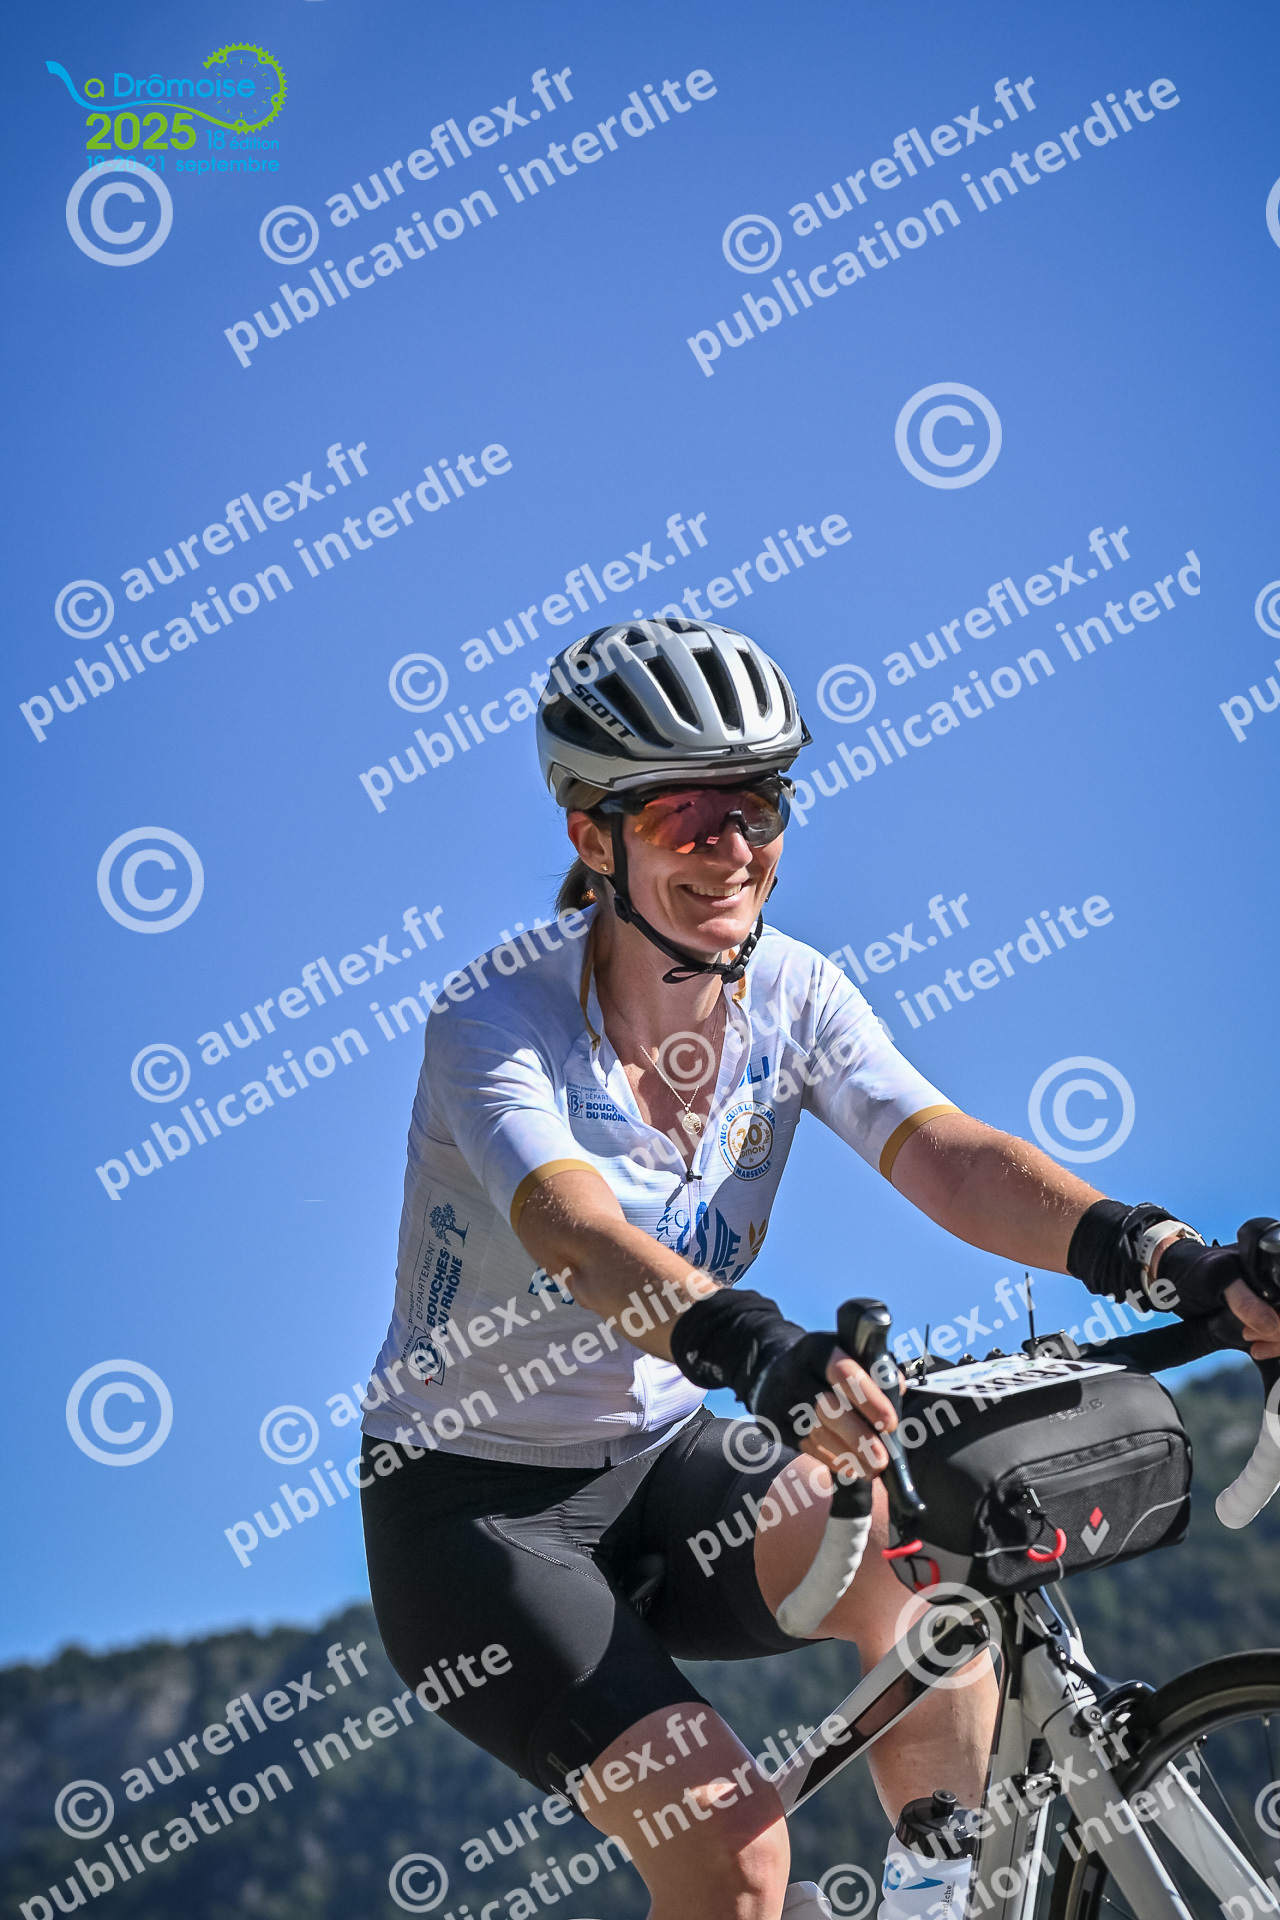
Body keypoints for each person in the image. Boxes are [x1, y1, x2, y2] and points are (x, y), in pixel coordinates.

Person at [361, 618, 1279, 1920]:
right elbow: (574, 1234)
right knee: (734, 1853)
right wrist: (756, 1345)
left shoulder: (793, 994)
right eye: (684, 817)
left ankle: (935, 1895)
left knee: (930, 1560)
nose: (731, 849)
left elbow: (951, 1158)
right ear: (593, 838)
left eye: (757, 808)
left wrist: (1159, 1253)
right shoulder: (499, 1020)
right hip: (477, 1511)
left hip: (666, 1460)